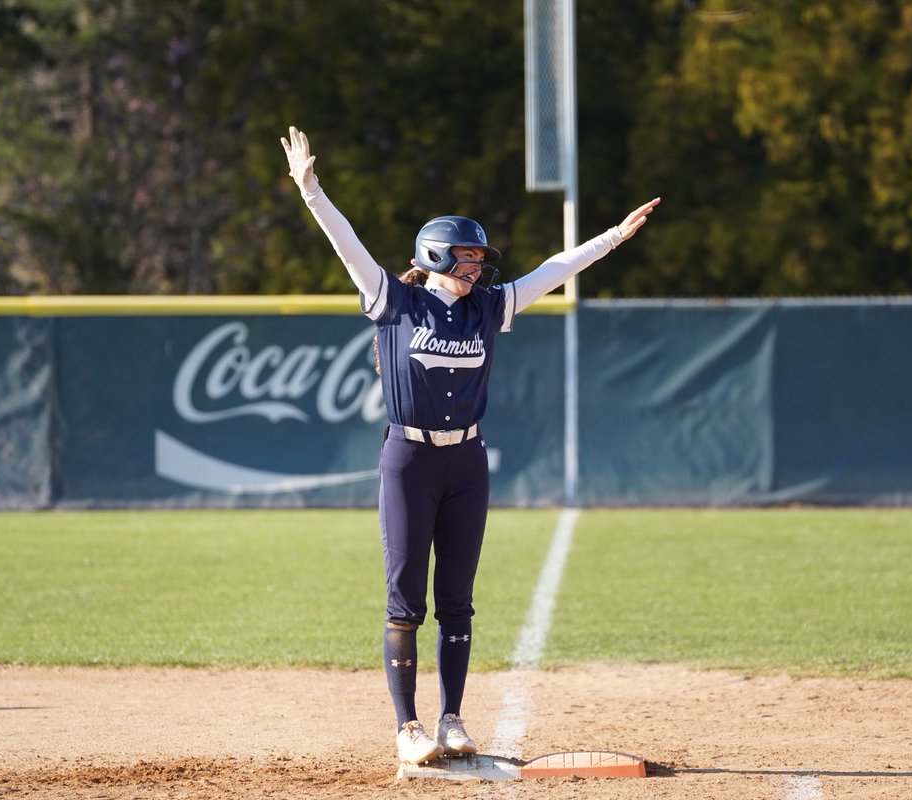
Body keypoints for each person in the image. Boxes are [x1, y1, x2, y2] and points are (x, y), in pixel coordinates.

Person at [280, 125, 659, 766]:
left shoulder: (488, 308)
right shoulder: (392, 299)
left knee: (458, 596)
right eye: (468, 256)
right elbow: (347, 244)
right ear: (435, 256)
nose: (479, 265)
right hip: (409, 460)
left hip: (467, 460)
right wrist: (310, 189)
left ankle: (452, 719)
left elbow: (554, 271)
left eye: (480, 256)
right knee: (407, 595)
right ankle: (408, 728)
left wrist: (615, 236)